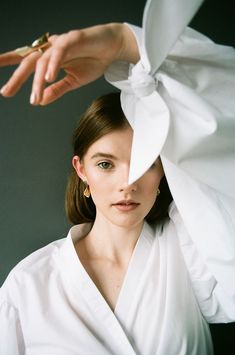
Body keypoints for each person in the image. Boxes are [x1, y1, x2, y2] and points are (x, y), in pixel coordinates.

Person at [1, 0, 235, 354]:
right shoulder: (28, 284)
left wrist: (125, 44)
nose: (128, 183)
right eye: (106, 164)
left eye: (145, 162)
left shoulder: (194, 252)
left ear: (164, 171)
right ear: (82, 171)